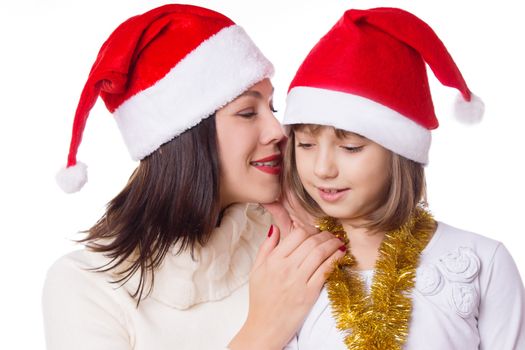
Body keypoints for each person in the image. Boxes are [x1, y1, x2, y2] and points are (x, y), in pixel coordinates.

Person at [43, 4, 346, 350]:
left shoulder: (287, 239)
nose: (277, 130)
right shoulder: (84, 286)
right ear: (182, 137)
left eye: (272, 107)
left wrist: (322, 227)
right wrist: (262, 333)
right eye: (248, 112)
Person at [281, 7, 525, 350]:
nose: (322, 168)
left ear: (400, 152)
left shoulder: (484, 262)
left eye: (350, 147)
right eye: (306, 144)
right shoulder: (293, 267)